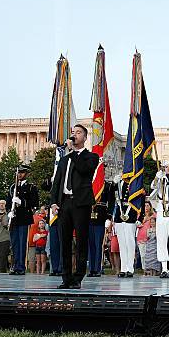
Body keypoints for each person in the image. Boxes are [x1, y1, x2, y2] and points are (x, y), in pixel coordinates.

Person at [50, 124, 99, 289]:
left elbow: (84, 170)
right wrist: (53, 202)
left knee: (81, 241)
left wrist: (73, 153)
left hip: (81, 203)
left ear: (85, 137)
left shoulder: (91, 156)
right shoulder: (64, 160)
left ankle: (78, 277)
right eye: (73, 132)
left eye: (78, 133)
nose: (74, 135)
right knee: (64, 241)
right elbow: (57, 183)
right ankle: (66, 277)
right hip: (64, 203)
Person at [7, 165, 39, 276]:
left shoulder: (31, 187)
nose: (20, 174)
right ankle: (15, 265)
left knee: (22, 243)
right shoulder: (12, 187)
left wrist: (22, 202)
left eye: (22, 172)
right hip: (15, 219)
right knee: (14, 243)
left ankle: (21, 266)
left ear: (26, 174)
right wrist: (9, 211)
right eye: (18, 173)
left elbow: (35, 203)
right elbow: (8, 202)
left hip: (24, 219)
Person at [112, 175, 139, 277]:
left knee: (130, 243)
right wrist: (115, 184)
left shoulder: (135, 184)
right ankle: (123, 268)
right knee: (122, 244)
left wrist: (140, 218)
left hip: (131, 215)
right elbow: (113, 197)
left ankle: (130, 269)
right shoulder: (119, 183)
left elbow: (139, 200)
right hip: (120, 215)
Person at [88, 179, 114, 277]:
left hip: (101, 216)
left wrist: (109, 216)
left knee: (99, 244)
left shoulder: (107, 185)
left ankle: (98, 268)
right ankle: (91, 268)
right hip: (89, 216)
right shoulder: (89, 183)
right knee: (91, 245)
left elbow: (111, 201)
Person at [27, 207, 47, 273]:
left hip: (35, 242)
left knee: (33, 259)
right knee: (37, 260)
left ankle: (34, 273)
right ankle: (37, 272)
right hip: (33, 242)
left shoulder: (38, 219)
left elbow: (45, 230)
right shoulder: (40, 219)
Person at [137, 201, 153, 271]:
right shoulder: (139, 215)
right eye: (145, 205)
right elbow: (137, 225)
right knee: (142, 255)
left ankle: (150, 268)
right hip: (141, 238)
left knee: (150, 254)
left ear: (150, 207)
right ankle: (144, 269)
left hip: (150, 238)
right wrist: (144, 220)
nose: (146, 207)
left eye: (147, 205)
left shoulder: (153, 215)